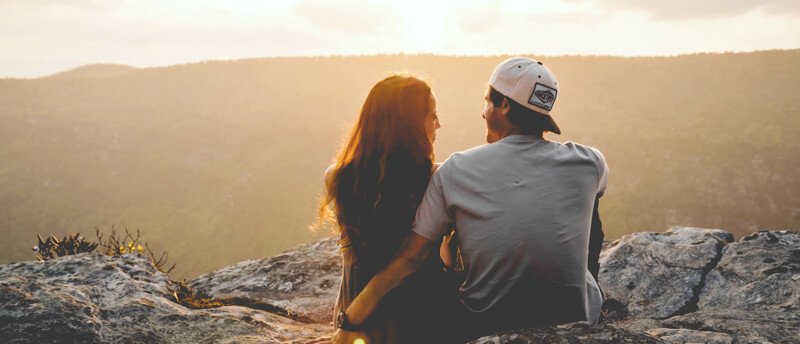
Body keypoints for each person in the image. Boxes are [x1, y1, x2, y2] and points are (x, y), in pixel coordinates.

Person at [333, 57, 608, 343]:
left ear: (504, 106)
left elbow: (411, 257)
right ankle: (582, 287)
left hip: (485, 321)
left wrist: (351, 319)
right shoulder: (590, 162)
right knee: (592, 200)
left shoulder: (457, 170)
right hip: (574, 316)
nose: (483, 112)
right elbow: (592, 214)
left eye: (487, 101)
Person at [320, 75, 454, 343]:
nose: (439, 124)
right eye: (432, 116)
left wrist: (346, 321)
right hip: (421, 320)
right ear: (410, 126)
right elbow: (428, 259)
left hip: (353, 317)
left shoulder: (337, 177)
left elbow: (350, 261)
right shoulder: (437, 178)